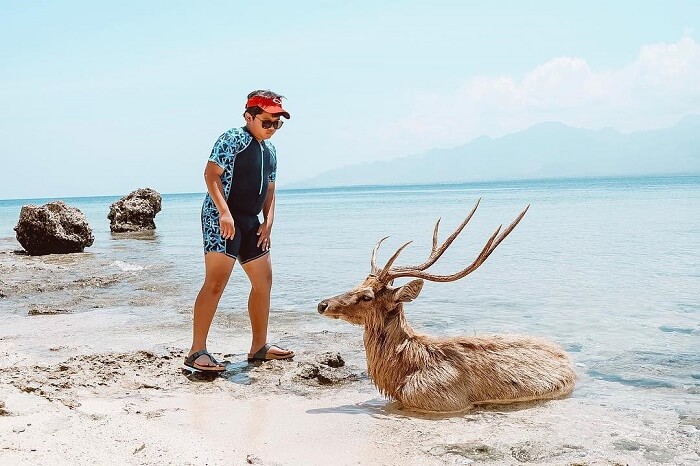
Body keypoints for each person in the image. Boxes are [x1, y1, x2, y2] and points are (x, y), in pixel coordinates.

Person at [185, 90, 294, 372]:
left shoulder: (270, 151)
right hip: (221, 219)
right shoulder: (232, 138)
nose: (272, 128)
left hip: (251, 221)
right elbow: (211, 175)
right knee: (216, 282)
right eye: (266, 122)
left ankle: (259, 347)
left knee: (263, 282)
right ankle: (197, 351)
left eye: (276, 123)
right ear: (249, 117)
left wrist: (268, 221)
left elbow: (270, 188)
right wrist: (224, 213)